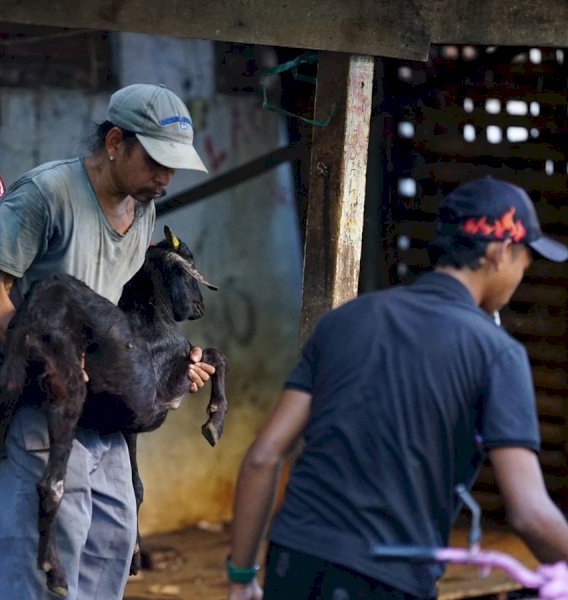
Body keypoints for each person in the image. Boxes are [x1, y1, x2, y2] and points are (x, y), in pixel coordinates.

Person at [226, 176, 568, 600]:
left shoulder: (345, 321)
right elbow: (530, 513)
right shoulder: (497, 352)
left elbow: (263, 456)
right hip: (387, 577)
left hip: (293, 560)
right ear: (499, 253)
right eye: (525, 261)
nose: (521, 275)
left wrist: (241, 578)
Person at [0, 83, 214, 599]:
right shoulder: (46, 195)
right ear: (116, 141)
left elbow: (119, 310)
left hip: (99, 407)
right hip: (30, 403)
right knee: (41, 552)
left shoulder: (143, 211)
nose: (165, 177)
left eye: (174, 165)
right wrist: (45, 359)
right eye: (155, 161)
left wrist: (169, 365)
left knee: (111, 542)